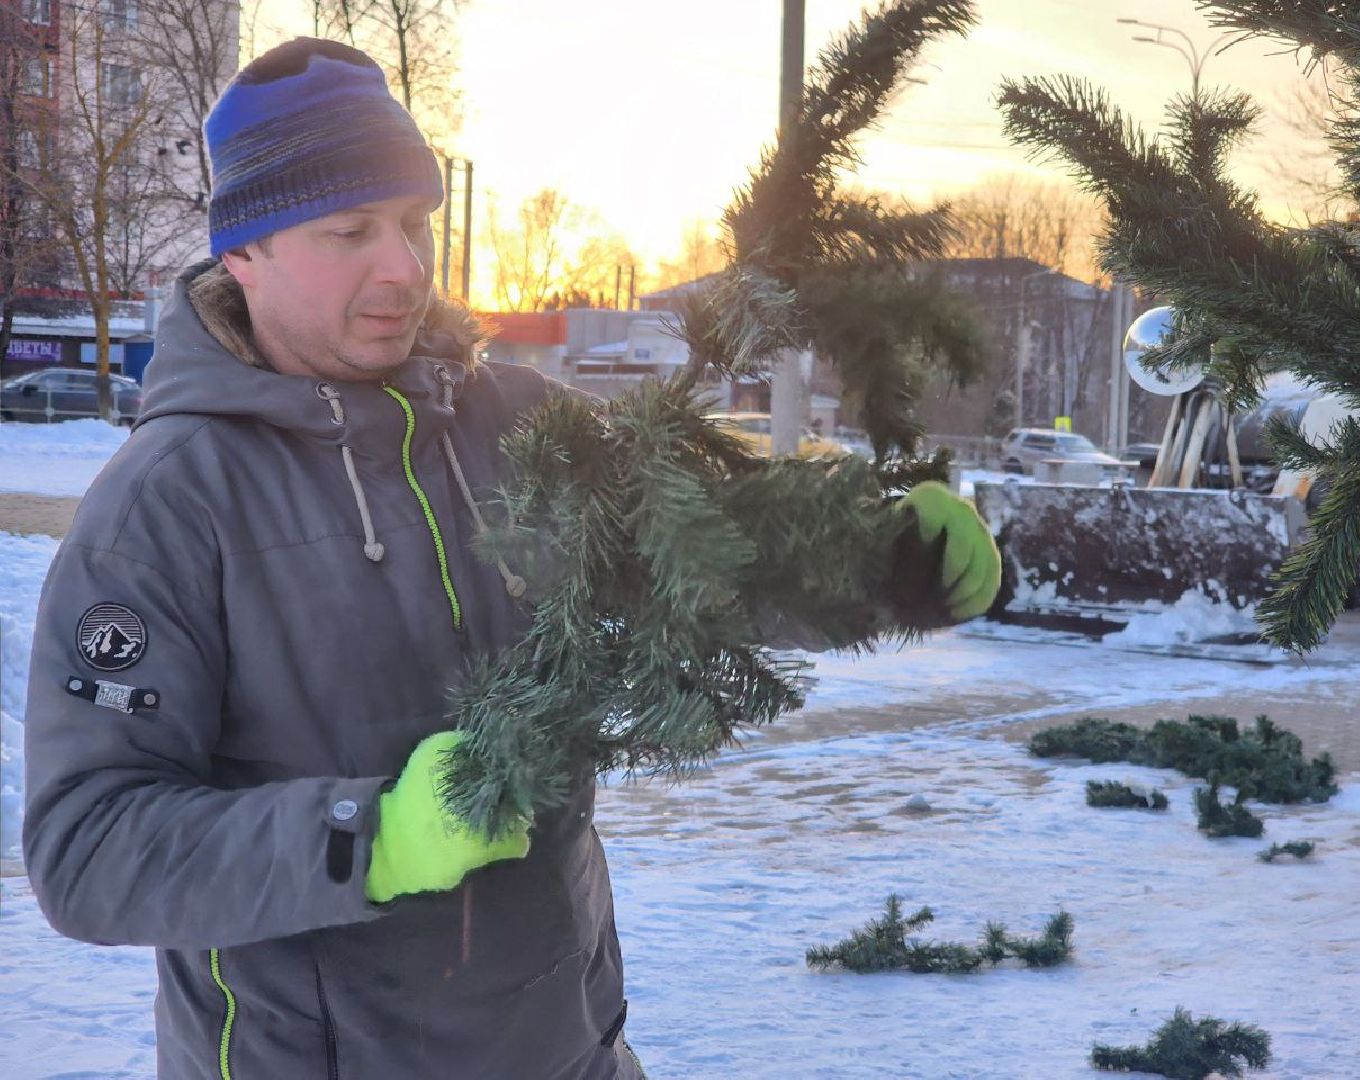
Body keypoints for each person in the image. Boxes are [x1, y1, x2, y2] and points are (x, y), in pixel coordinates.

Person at [22, 38, 999, 1079]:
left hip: (568, 1050)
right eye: (351, 230)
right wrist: (371, 836)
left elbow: (702, 554)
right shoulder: (166, 506)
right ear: (245, 254)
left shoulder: (517, 423)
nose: (401, 265)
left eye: (412, 223)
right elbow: (90, 849)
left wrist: (876, 564)